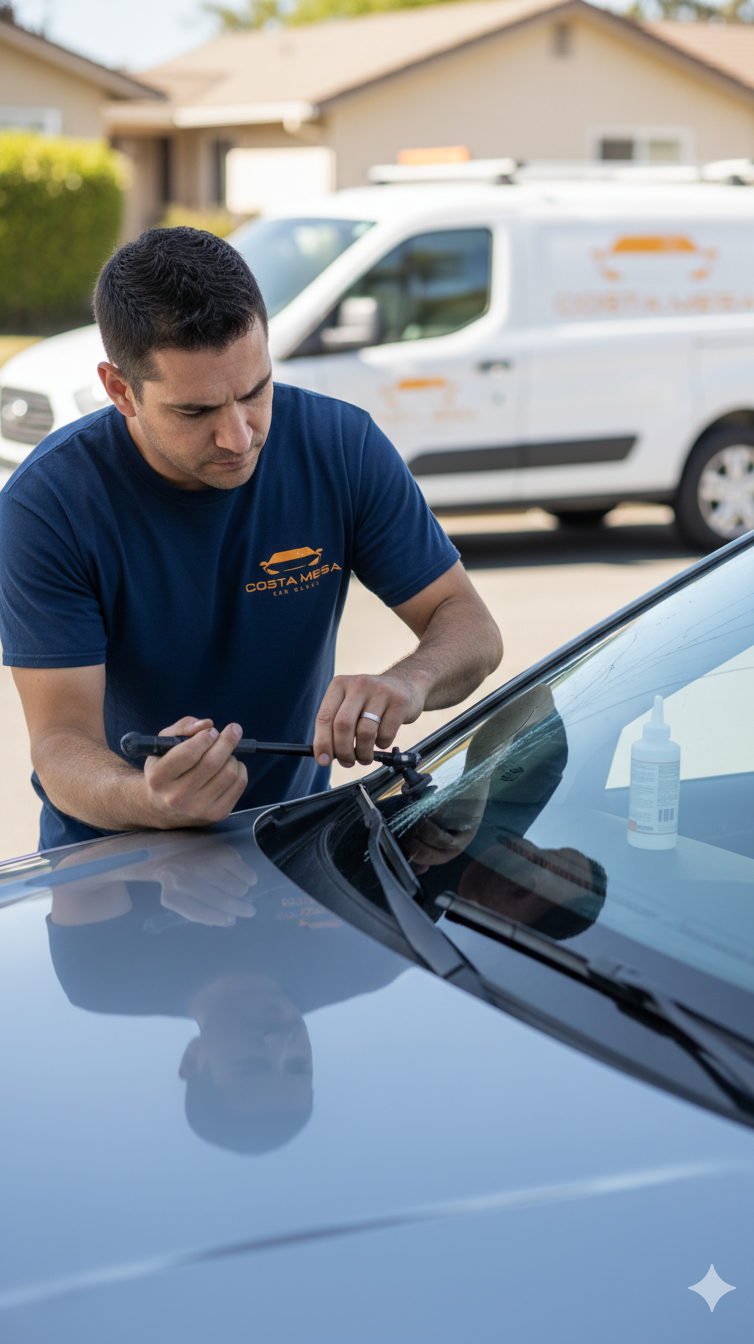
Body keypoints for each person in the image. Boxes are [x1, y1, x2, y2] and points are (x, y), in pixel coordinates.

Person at [0, 227, 502, 851]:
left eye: (255, 390)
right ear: (121, 390)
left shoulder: (340, 447)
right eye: (195, 412)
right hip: (111, 859)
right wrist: (151, 800)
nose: (239, 437)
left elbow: (471, 626)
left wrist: (409, 682)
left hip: (294, 848)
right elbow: (60, 744)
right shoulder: (48, 505)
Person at [46, 831, 406, 1154]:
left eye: (251, 1064)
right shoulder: (370, 961)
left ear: (192, 1061)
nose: (279, 1041)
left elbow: (71, 878)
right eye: (298, 1065)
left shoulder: (105, 982)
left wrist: (157, 859)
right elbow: (395, 845)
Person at [396, 683, 607, 940]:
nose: (527, 858)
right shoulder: (522, 800)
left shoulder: (416, 927)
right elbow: (539, 698)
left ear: (510, 928)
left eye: (524, 890)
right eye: (545, 857)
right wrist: (475, 783)